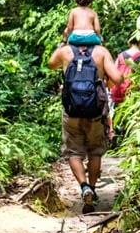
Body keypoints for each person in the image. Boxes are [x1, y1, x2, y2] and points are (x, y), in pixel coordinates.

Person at [48, 40, 121, 213]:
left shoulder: (65, 51)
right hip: (95, 113)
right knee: (95, 151)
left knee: (74, 152)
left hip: (71, 113)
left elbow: (50, 65)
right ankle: (93, 189)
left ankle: (84, 187)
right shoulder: (101, 52)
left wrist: (61, 45)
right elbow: (117, 79)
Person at [106, 38, 140, 139]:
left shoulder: (121, 56)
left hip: (122, 89)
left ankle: (122, 136)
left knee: (122, 114)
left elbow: (114, 72)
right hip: (136, 89)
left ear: (129, 42)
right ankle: (134, 138)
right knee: (136, 114)